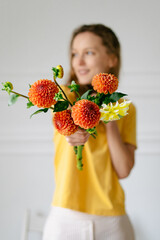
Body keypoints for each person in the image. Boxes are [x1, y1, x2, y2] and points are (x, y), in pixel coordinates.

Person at [43, 24, 137, 240]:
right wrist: (72, 133)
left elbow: (123, 170)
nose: (79, 61)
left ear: (112, 59)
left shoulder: (126, 109)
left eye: (89, 53)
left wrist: (109, 116)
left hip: (112, 220)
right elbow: (65, 127)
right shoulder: (63, 97)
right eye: (75, 53)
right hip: (65, 216)